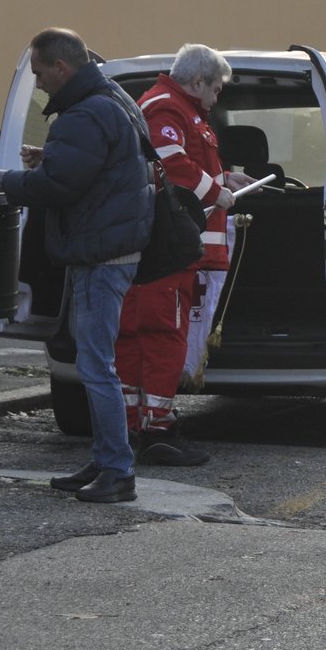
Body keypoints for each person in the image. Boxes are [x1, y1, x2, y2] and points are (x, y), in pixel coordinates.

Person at [0, 28, 153, 504]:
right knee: (94, 362)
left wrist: (6, 182)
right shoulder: (112, 99)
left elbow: (61, 186)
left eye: (38, 73)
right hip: (109, 247)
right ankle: (103, 460)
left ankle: (118, 470)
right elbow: (88, 170)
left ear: (61, 68)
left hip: (100, 254)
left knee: (96, 366)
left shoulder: (85, 112)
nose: (37, 85)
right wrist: (50, 160)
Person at [114, 44, 256, 465]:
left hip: (169, 252)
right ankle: (155, 428)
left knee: (147, 337)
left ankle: (139, 423)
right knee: (160, 338)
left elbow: (184, 164)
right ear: (196, 81)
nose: (217, 98)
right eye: (215, 89)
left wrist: (225, 175)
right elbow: (171, 165)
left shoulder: (180, 110)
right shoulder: (166, 109)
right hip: (167, 253)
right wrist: (219, 192)